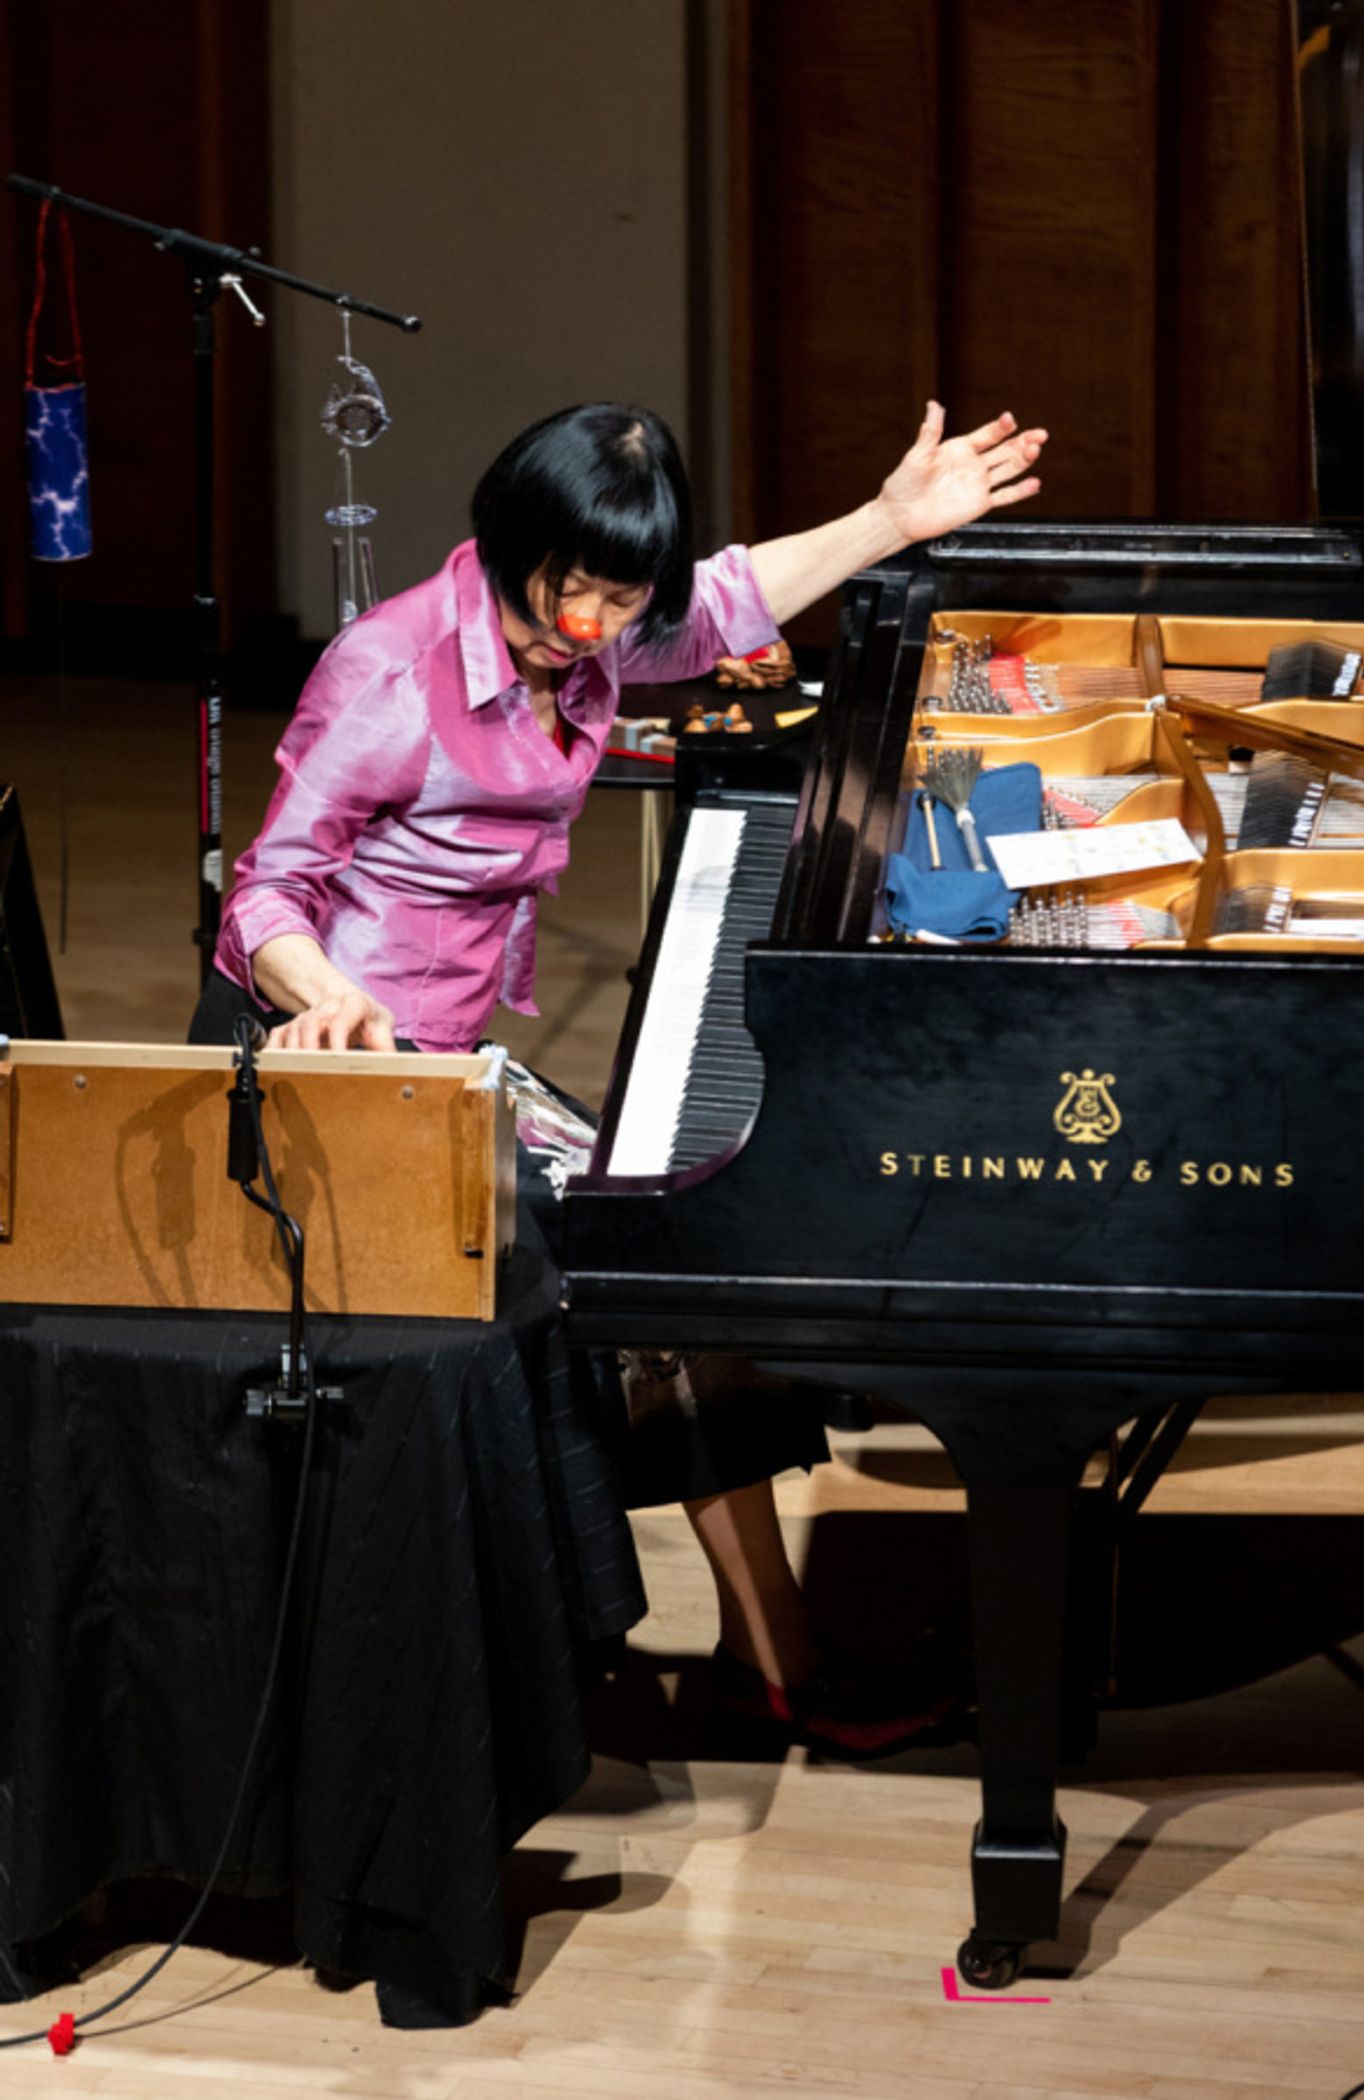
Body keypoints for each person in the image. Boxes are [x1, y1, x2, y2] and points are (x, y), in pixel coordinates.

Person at [191, 397, 1046, 1752]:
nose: (595, 630)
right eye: (570, 594)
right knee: (655, 1281)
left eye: (617, 601)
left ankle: (766, 1657)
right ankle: (755, 1664)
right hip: (333, 1072)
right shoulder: (390, 671)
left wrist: (891, 521)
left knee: (688, 1243)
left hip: (452, 1066)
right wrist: (331, 994)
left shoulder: (589, 637)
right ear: (512, 545)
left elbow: (720, 605)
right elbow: (264, 897)